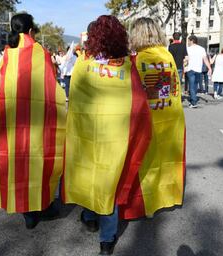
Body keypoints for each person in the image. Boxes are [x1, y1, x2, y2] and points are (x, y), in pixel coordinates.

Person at [63, 15, 152, 255]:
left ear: (93, 39)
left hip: (87, 137)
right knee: (109, 184)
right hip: (117, 139)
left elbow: (75, 104)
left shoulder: (83, 65)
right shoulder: (127, 67)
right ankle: (107, 239)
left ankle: (91, 217)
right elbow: (139, 104)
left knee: (90, 178)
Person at [0, 13, 66, 230]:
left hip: (12, 120)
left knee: (16, 163)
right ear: (31, 31)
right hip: (37, 121)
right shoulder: (40, 53)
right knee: (38, 161)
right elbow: (51, 86)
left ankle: (26, 212)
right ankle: (42, 206)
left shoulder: (7, 54)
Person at [128, 17, 186, 220]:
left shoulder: (137, 60)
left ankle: (146, 203)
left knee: (146, 163)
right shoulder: (167, 55)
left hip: (147, 122)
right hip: (170, 118)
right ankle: (166, 197)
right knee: (167, 161)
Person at [185, 35, 212, 108]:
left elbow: (186, 59)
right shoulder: (202, 49)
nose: (188, 42)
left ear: (192, 41)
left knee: (191, 86)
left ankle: (193, 102)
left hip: (191, 69)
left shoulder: (188, 49)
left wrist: (185, 65)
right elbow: (205, 59)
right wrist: (210, 68)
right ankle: (193, 99)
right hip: (198, 70)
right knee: (195, 86)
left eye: (188, 41)